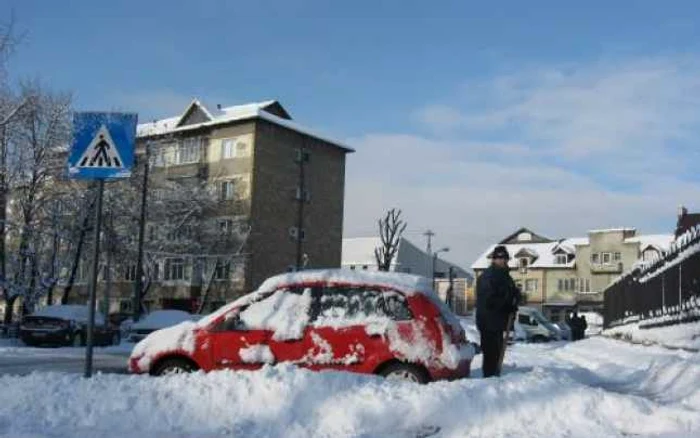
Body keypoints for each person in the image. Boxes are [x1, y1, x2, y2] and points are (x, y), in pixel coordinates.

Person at [476, 245, 520, 377]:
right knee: (491, 353)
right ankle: (490, 379)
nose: (503, 260)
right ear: (494, 259)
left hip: (498, 321)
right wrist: (507, 304)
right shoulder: (489, 276)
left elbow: (509, 293)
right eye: (499, 258)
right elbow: (489, 301)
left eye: (505, 258)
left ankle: (494, 377)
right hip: (488, 321)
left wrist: (516, 296)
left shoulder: (505, 276)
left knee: (497, 352)